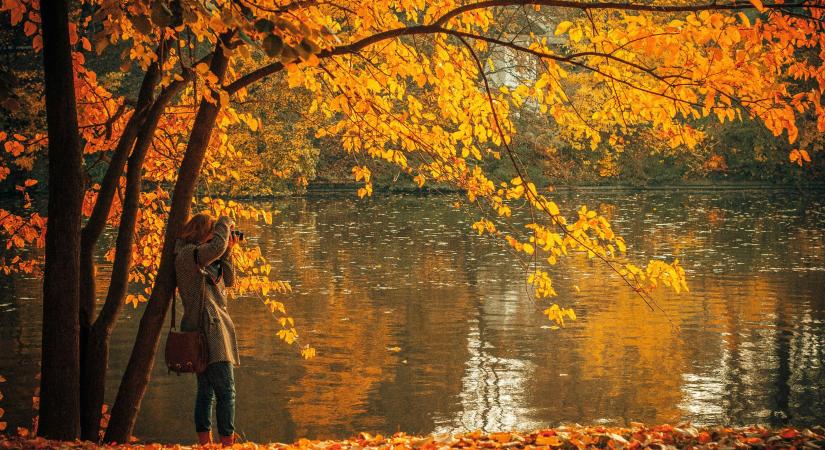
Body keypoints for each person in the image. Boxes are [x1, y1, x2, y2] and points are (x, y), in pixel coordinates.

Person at [175, 213, 240, 447]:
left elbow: (230, 281)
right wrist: (224, 220)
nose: (217, 236)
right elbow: (217, 246)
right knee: (226, 391)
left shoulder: (204, 260)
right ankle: (227, 444)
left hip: (213, 329)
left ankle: (206, 444)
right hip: (206, 330)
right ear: (203, 233)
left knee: (207, 391)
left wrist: (228, 251)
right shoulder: (187, 255)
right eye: (213, 231)